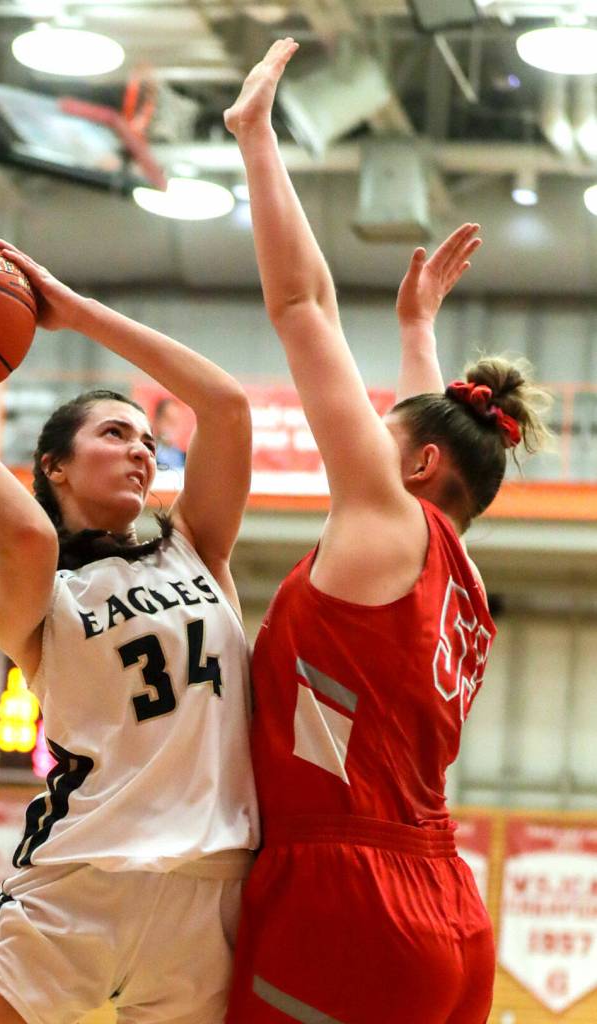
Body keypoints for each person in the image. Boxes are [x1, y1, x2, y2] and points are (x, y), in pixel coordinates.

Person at [223, 39, 551, 1024]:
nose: (363, 428)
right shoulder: (454, 572)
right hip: (446, 908)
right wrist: (418, 331)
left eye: (383, 425)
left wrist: (257, 143)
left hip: (346, 901)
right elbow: (429, 435)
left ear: (410, 469)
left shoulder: (384, 513)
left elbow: (301, 303)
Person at [0, 237, 259, 1024]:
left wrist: (71, 308)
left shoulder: (196, 545)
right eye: (114, 434)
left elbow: (226, 406)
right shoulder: (35, 592)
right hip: (81, 883)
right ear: (53, 466)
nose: (140, 452)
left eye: (147, 441)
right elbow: (25, 538)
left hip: (213, 892)